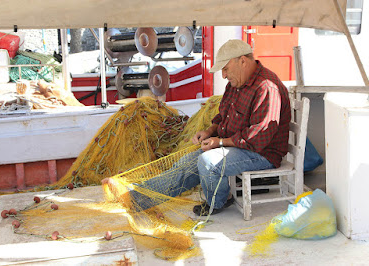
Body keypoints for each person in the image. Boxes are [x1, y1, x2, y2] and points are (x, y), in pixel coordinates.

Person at [103, 39, 291, 216]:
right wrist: (210, 132)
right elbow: (222, 116)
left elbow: (258, 137)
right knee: (185, 164)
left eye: (225, 69)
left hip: (262, 153)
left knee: (208, 162)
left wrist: (220, 142)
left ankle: (218, 202)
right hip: (238, 145)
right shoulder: (236, 83)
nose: (224, 75)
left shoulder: (267, 86)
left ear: (242, 61)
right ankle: (135, 199)